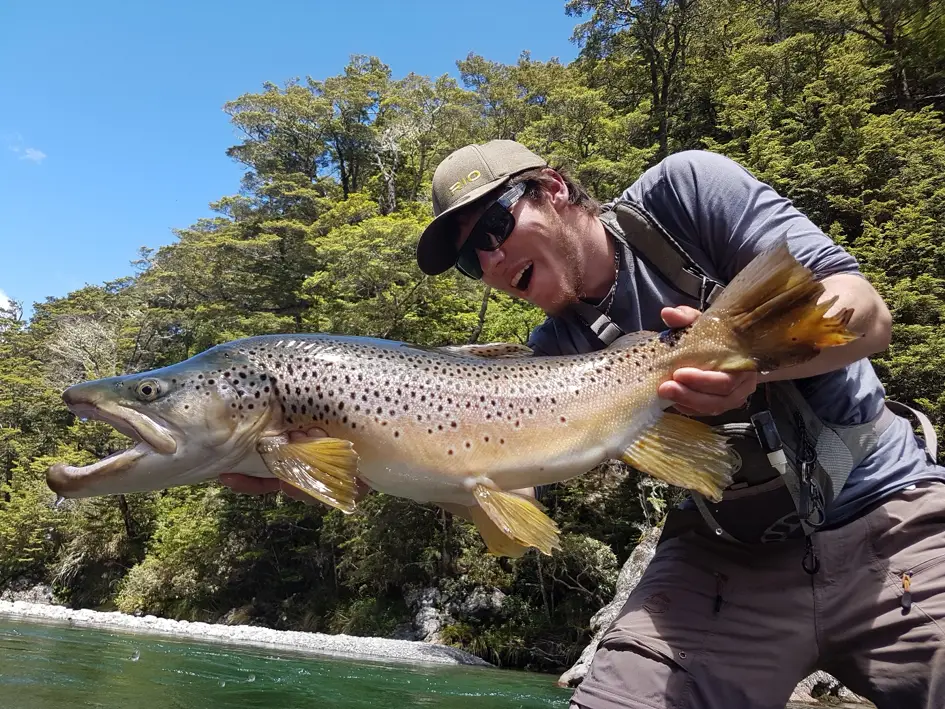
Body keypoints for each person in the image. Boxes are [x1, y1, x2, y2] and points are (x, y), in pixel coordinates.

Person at [222, 139, 945, 708]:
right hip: (724, 558)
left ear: (554, 188)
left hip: (890, 519)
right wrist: (351, 468)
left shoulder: (684, 195)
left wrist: (750, 364)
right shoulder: (548, 356)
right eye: (473, 263)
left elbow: (864, 308)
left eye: (496, 226)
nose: (493, 259)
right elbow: (514, 516)